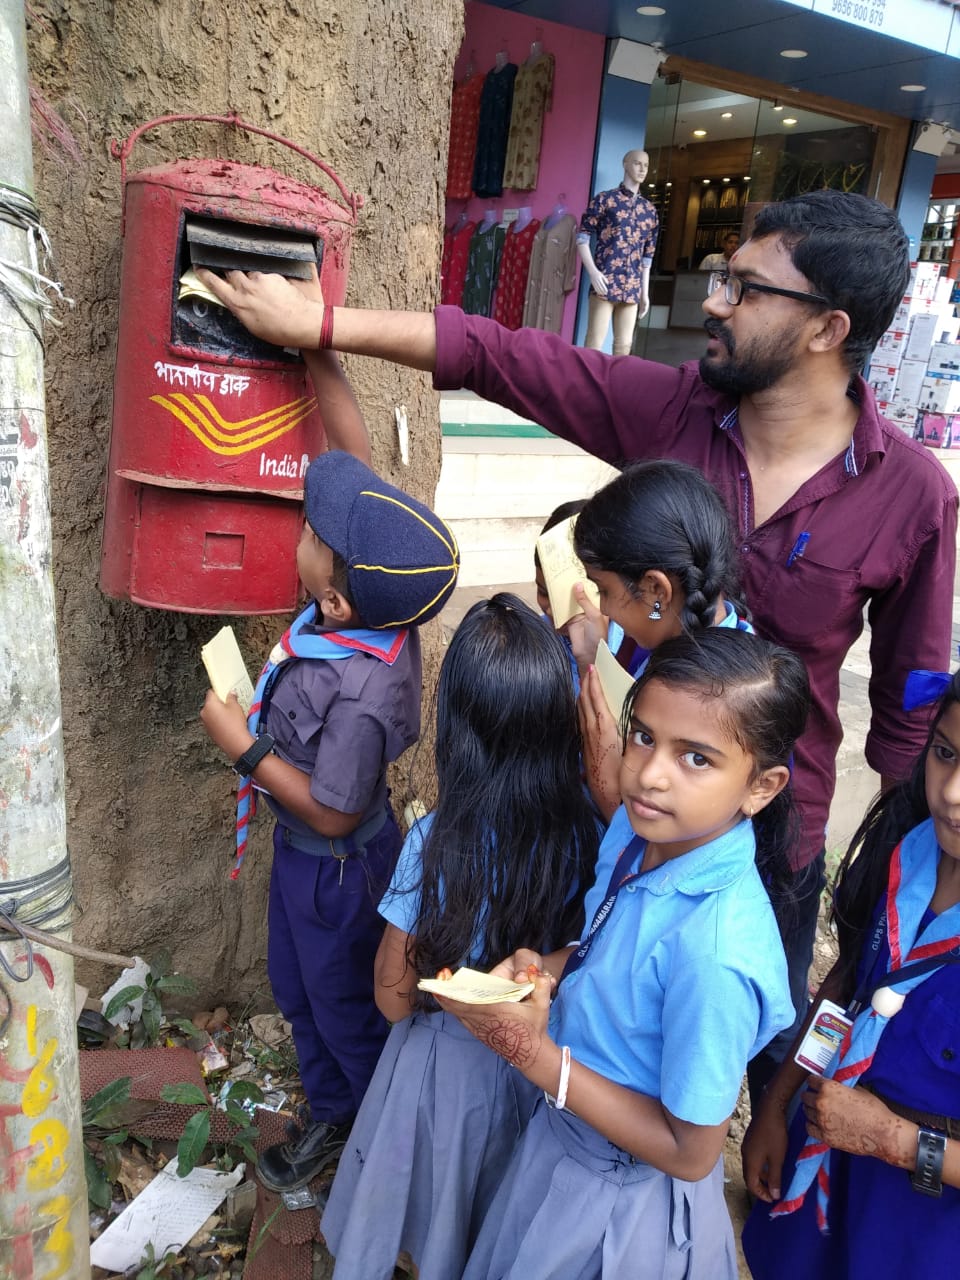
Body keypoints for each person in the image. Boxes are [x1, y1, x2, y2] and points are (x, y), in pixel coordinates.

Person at [194, 188, 958, 1102]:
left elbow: (909, 715)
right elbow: (505, 357)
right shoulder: (676, 411)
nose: (714, 302)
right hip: (622, 804)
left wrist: (908, 877)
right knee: (595, 1002)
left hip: (772, 836)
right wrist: (320, 325)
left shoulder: (913, 495)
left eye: (746, 288)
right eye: (723, 278)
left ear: (828, 328)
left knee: (750, 1049)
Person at [430, 628, 805, 1279]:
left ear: (761, 787)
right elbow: (609, 947)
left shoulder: (716, 956)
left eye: (696, 759)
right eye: (643, 736)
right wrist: (543, 969)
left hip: (621, 1199)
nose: (650, 774)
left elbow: (691, 1152)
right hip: (563, 1139)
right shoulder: (638, 833)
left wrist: (534, 1055)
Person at [199, 356, 460, 1192]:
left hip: (337, 873)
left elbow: (337, 812)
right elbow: (352, 462)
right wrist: (317, 351)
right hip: (303, 865)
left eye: (314, 533)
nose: (305, 531)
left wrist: (244, 750)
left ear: (339, 602)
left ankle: (371, 1142)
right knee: (295, 986)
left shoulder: (361, 692)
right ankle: (332, 1107)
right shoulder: (374, 597)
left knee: (343, 1007)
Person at [320, 594, 600, 1279]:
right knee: (494, 1212)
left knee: (429, 1209)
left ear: (456, 730)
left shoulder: (435, 843)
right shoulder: (591, 832)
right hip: (534, 1065)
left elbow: (392, 998)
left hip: (440, 1078)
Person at [742, 665, 960, 1277]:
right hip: (829, 1154)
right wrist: (777, 1103)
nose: (951, 792)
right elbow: (846, 993)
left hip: (922, 1222)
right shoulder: (906, 845)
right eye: (945, 753)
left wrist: (895, 1141)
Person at [571, 459, 753, 822]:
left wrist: (603, 777)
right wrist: (592, 658)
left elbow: (651, 832)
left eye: (604, 590)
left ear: (656, 590)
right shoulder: (658, 640)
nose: (602, 607)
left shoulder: (731, 698)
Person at [533, 498, 625, 697]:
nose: (551, 610)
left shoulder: (634, 649)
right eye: (543, 592)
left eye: (567, 599)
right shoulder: (532, 641)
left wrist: (594, 662)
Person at [576, 148, 659, 353]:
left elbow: (647, 257)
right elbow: (582, 238)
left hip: (632, 288)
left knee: (624, 348)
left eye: (646, 165)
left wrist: (644, 293)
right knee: (594, 344)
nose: (642, 169)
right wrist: (593, 272)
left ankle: (617, 378)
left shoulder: (649, 211)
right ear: (625, 164)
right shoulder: (605, 200)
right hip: (605, 283)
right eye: (637, 163)